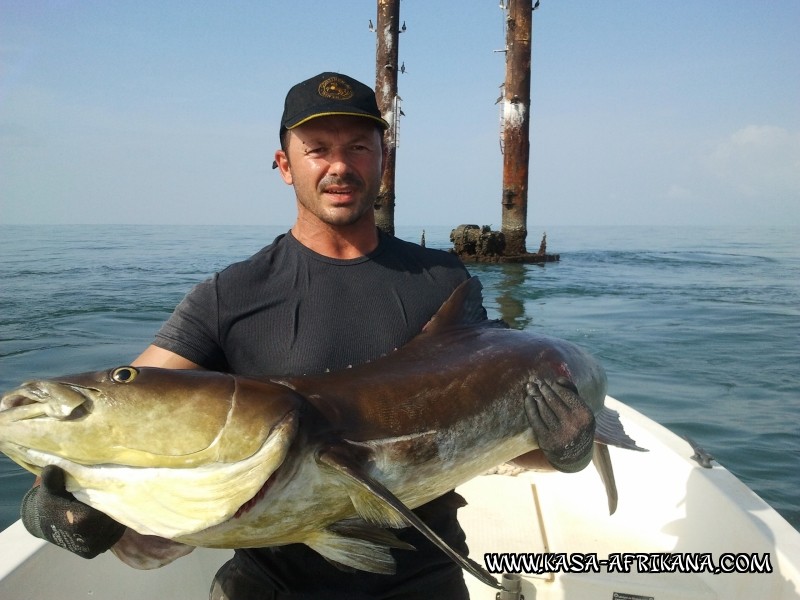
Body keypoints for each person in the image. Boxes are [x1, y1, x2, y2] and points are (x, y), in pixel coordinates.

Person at [20, 72, 594, 599]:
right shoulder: (232, 294)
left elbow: (485, 433)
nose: (338, 166)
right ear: (285, 164)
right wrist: (58, 494)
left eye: (358, 148)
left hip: (424, 578)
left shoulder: (442, 282)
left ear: (382, 160)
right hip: (270, 584)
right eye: (317, 150)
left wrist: (563, 448)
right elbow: (139, 396)